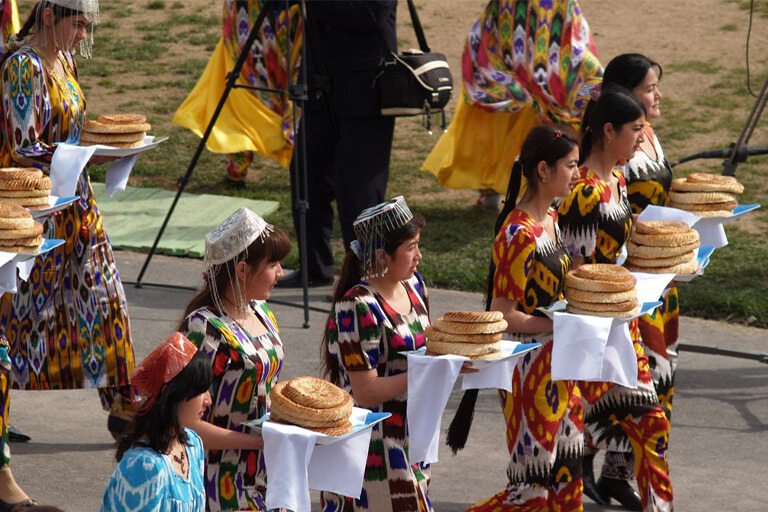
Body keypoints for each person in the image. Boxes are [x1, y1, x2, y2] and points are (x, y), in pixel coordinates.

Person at [0, 0, 135, 507]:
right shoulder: (23, 67)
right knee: (14, 323)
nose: (82, 34)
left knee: (106, 303)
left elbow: (72, 132)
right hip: (31, 212)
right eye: (78, 23)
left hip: (77, 206)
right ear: (51, 16)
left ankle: (124, 406)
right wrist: (93, 155)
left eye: (87, 25)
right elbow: (21, 147)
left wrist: (102, 149)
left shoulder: (64, 61)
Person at [557, 85, 673, 511]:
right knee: (649, 422)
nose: (643, 138)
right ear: (608, 131)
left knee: (637, 422)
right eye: (635, 129)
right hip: (596, 331)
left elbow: (618, 250)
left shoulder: (618, 180)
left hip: (623, 320)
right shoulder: (584, 192)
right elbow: (572, 272)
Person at [458, 126, 584, 511]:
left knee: (567, 481)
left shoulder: (552, 218)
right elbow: (503, 314)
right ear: (544, 171)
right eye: (571, 166)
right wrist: (560, 324)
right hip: (528, 369)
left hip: (561, 362)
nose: (577, 174)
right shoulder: (518, 233)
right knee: (530, 493)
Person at [591, 53, 680, 507]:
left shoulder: (648, 133)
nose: (657, 94)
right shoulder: (617, 145)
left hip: (663, 278)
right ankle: (579, 446)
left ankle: (616, 473)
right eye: (649, 87)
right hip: (631, 281)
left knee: (660, 382)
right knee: (631, 388)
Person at [422, 0, 602, 211]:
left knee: (503, 112)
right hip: (548, 36)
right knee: (529, 114)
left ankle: (493, 187)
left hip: (511, 32)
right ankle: (544, 189)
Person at [319, 197, 434, 511]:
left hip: (412, 433)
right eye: (411, 247)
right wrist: (428, 372)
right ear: (382, 254)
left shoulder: (415, 286)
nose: (418, 256)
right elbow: (366, 391)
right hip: (375, 443)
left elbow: (427, 348)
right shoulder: (356, 306)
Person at [277, 0, 398, 288]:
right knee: (307, 174)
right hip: (319, 78)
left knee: (359, 189)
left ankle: (365, 278)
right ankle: (315, 268)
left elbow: (372, 13)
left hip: (366, 84)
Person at [178, 207, 290, 512]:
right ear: (242, 270)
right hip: (222, 482)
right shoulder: (204, 329)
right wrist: (258, 442)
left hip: (268, 475)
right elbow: (187, 424)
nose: (280, 273)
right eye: (274, 264)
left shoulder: (262, 312)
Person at [173, 1, 302, 186]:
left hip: (257, 12)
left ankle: (239, 167)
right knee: (252, 83)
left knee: (245, 84)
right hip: (269, 12)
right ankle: (300, 160)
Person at [101, 332, 211, 512]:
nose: (208, 401)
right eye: (200, 391)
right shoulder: (144, 467)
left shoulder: (192, 444)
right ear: (172, 395)